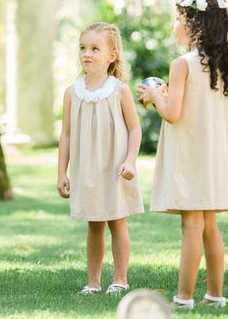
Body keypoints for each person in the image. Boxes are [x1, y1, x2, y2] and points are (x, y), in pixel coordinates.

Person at [137, 0, 228, 309]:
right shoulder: (218, 65)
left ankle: (183, 298)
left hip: (191, 155)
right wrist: (166, 95)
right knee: (209, 224)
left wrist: (155, 96)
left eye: (178, 20)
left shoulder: (182, 64)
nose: (174, 26)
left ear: (197, 26)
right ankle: (215, 295)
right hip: (210, 155)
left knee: (192, 225)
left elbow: (173, 113)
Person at [57, 22, 144, 295]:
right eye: (83, 48)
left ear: (112, 55)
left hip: (115, 166)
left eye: (95, 49)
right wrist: (62, 172)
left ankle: (120, 279)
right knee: (94, 224)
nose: (87, 54)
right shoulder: (72, 92)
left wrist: (130, 160)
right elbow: (67, 135)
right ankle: (93, 282)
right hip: (87, 169)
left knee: (117, 221)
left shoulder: (119, 90)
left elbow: (134, 129)